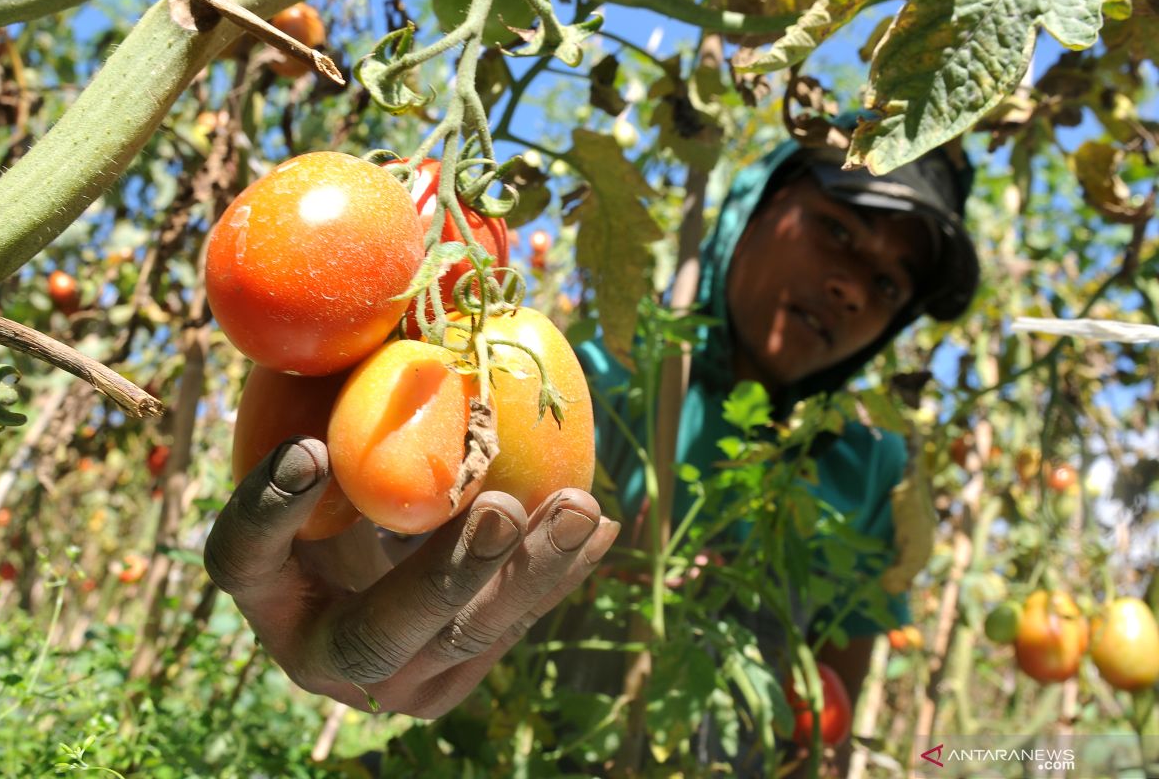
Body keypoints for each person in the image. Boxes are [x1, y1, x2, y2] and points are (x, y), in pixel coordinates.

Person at [204, 125, 978, 764]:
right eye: (837, 230)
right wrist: (344, 558)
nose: (851, 286)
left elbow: (828, 715)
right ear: (754, 207)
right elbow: (410, 507)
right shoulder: (578, 378)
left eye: (887, 287)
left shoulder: (871, 469)